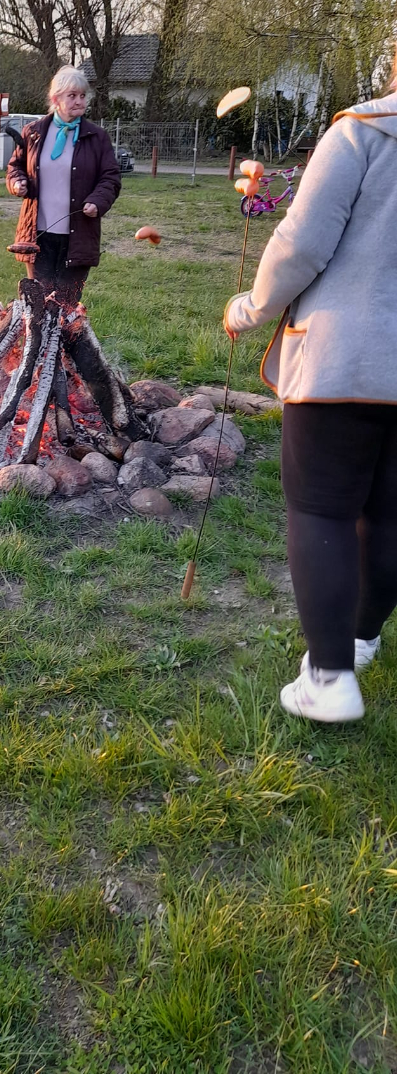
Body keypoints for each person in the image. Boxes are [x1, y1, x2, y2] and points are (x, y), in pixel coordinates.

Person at [223, 78, 397, 723]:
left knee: (321, 510)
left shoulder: (362, 130)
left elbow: (301, 244)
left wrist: (249, 307)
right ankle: (359, 636)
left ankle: (329, 675)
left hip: (344, 358)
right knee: (391, 513)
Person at [6, 66, 121, 305]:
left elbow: (110, 177)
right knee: (39, 304)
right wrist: (17, 183)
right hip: (38, 236)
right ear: (55, 99)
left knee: (66, 306)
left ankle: (67, 342)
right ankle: (39, 344)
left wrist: (97, 202)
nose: (79, 101)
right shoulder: (34, 133)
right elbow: (15, 166)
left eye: (82, 96)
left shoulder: (97, 137)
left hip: (78, 236)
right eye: (72, 95)